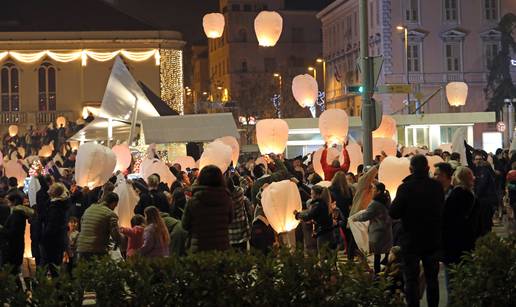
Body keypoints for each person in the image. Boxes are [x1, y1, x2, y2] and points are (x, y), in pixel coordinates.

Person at [390, 155, 444, 307]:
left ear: (410, 169)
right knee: (432, 279)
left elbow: (394, 213)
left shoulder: (405, 188)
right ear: (427, 168)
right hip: (432, 239)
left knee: (411, 280)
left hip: (411, 240)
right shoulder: (436, 187)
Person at [182, 165, 233, 253]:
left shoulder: (193, 201)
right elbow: (230, 220)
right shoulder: (227, 199)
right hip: (221, 246)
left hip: (199, 248)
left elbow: (185, 225)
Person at [353, 182, 393, 274]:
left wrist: (355, 218)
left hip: (377, 232)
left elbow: (367, 215)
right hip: (386, 230)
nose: (372, 190)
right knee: (386, 253)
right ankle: (386, 273)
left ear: (378, 191)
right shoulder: (386, 200)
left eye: (374, 189)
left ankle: (377, 276)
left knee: (377, 255)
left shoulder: (375, 203)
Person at [77, 192, 121, 260]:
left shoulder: (89, 209)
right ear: (114, 203)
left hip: (81, 247)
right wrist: (121, 239)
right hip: (96, 249)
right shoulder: (111, 214)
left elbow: (81, 224)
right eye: (115, 205)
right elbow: (116, 236)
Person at [40, 183, 70, 277]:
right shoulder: (62, 204)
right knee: (55, 267)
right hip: (59, 240)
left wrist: (43, 238)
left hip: (51, 242)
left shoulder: (55, 207)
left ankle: (45, 288)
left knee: (48, 267)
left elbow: (52, 226)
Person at [294, 185, 335, 253]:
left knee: (323, 253)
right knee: (330, 254)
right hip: (329, 231)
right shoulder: (325, 203)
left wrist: (297, 215)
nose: (311, 196)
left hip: (322, 232)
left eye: (312, 193)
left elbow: (309, 215)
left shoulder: (318, 205)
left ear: (318, 195)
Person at [3, 193, 34, 274]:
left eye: (8, 202)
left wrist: (2, 229)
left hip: (13, 247)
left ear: (13, 202)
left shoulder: (16, 215)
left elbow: (12, 233)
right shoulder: (20, 214)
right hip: (18, 246)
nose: (7, 204)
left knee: (13, 272)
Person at [227, 177, 251, 251]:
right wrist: (237, 174)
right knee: (244, 254)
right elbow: (245, 183)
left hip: (230, 234)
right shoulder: (240, 192)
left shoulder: (223, 198)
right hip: (242, 232)